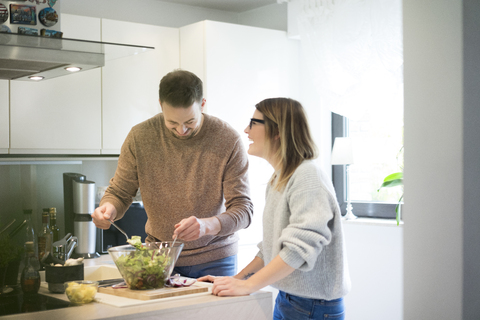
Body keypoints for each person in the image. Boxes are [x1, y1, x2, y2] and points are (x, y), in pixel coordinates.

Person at [199, 98, 351, 319]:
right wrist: (239, 279)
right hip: (289, 300)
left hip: (313, 308)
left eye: (253, 123)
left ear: (277, 130)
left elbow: (297, 250)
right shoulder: (279, 179)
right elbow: (271, 249)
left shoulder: (307, 176)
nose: (246, 130)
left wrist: (248, 286)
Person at [92, 69, 253, 277]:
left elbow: (244, 210)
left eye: (189, 122)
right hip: (158, 258)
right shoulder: (139, 137)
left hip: (215, 259)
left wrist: (207, 226)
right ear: (160, 105)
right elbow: (120, 192)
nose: (181, 131)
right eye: (172, 123)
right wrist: (108, 208)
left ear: (202, 104)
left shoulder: (227, 139)